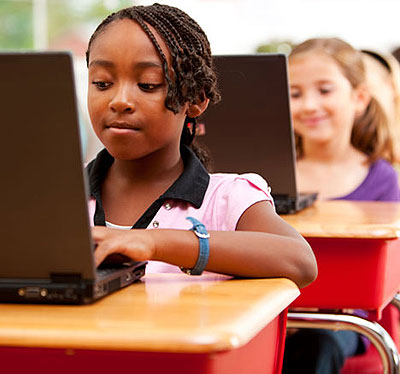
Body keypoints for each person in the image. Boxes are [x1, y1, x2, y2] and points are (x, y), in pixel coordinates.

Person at [83, 4, 317, 288]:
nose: (119, 100)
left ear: (195, 100)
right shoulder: (58, 194)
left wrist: (154, 243)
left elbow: (301, 261)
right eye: (102, 83)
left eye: (147, 84)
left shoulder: (226, 199)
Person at [284, 37, 400, 374]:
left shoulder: (382, 178)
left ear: (359, 98)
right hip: (274, 308)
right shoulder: (270, 174)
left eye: (324, 90)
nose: (308, 105)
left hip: (345, 319)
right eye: (294, 94)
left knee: (316, 342)